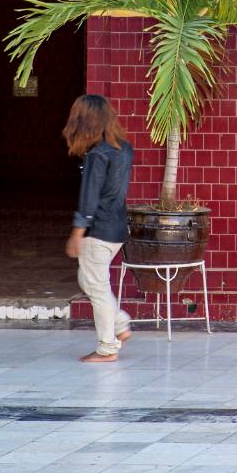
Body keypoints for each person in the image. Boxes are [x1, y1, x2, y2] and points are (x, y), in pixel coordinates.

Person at [64, 93, 135, 364]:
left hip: (99, 229)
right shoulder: (123, 148)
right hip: (117, 227)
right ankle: (119, 322)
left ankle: (108, 347)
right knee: (89, 280)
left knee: (97, 286)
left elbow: (89, 196)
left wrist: (77, 232)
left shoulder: (97, 154)